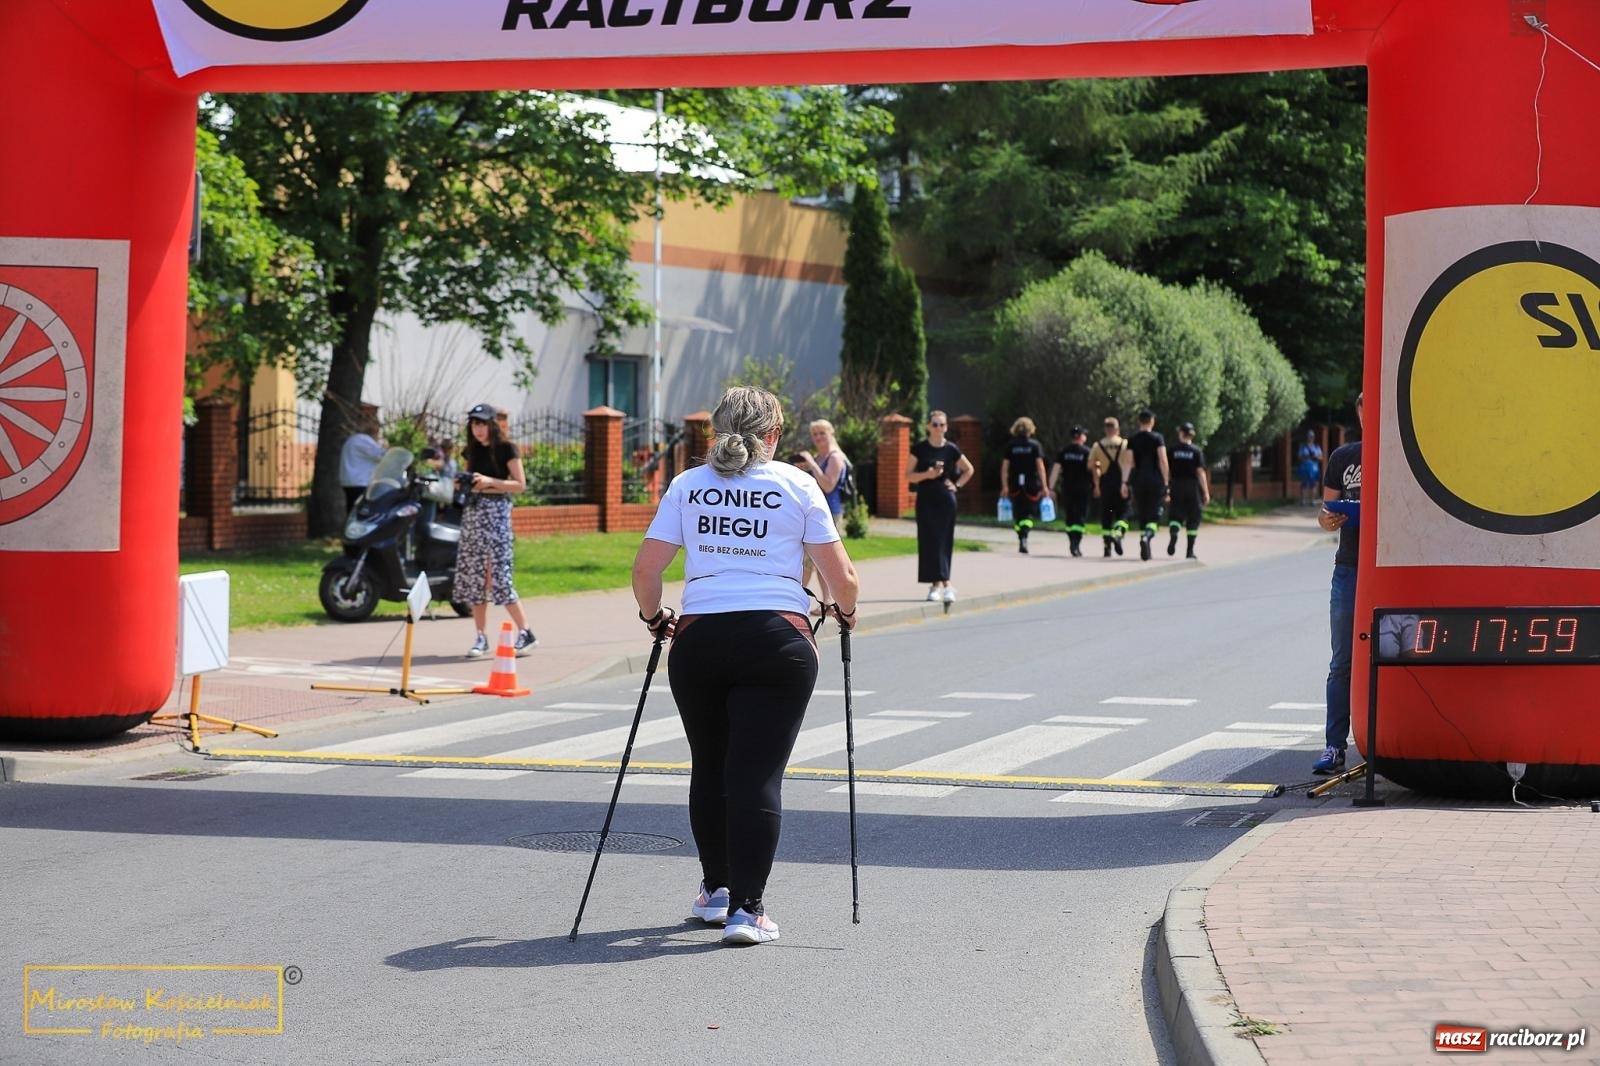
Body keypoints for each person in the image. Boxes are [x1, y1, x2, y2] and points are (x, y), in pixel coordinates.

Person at [632, 386, 860, 946]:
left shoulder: (688, 485)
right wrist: (844, 613)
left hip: (700, 639)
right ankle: (747, 910)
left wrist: (655, 618)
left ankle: (714, 891)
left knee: (709, 766)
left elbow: (645, 570)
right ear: (775, 435)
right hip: (775, 639)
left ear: (715, 432)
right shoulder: (797, 484)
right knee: (755, 774)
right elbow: (844, 580)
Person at [452, 402, 537, 659]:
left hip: (497, 514)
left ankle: (526, 632)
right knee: (475, 576)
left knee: (498, 575)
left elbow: (520, 485)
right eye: (474, 424)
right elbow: (469, 483)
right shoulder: (472, 451)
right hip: (474, 514)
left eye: (482, 424)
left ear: (492, 424)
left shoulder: (506, 449)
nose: (478, 429)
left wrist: (490, 482)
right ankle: (480, 637)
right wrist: (463, 483)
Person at [1314, 393, 1362, 775]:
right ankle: (1334, 746)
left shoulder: (1399, 455)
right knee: (1341, 660)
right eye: (1363, 409)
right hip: (1348, 567)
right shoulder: (1343, 457)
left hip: (1391, 568)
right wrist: (1326, 520)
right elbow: (1326, 510)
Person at [910, 410, 974, 602]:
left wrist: (957, 485)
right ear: (928, 426)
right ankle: (935, 585)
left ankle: (946, 584)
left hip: (946, 500)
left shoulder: (951, 449)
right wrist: (926, 475)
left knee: (944, 540)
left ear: (946, 427)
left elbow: (969, 469)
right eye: (935, 424)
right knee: (928, 540)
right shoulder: (919, 449)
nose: (939, 428)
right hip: (926, 499)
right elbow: (908, 475)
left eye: (942, 425)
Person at [796, 418, 849, 609]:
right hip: (813, 512)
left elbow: (828, 485)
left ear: (831, 434)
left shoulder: (835, 457)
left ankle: (796, 598)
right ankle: (827, 601)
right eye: (815, 434)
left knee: (817, 558)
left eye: (822, 433)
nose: (818, 437)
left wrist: (811, 462)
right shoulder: (818, 458)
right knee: (815, 559)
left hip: (830, 513)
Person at [1120, 408, 1170, 562]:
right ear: (1152, 421)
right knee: (1154, 514)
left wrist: (1124, 482)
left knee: (1142, 512)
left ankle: (1144, 542)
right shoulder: (1157, 438)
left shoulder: (1132, 439)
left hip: (1139, 480)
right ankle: (1147, 537)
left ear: (1139, 422)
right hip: (1155, 480)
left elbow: (1128, 462)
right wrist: (1167, 481)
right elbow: (1162, 460)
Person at [999, 416, 1050, 554]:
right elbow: (1040, 467)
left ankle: (1020, 536)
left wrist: (1004, 486)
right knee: (1028, 513)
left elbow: (1005, 468)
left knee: (1018, 512)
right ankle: (1025, 536)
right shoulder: (1035, 445)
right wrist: (1045, 486)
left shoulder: (1010, 446)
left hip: (1015, 483)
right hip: (1031, 483)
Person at [1048, 425, 1094, 557]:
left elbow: (1056, 470)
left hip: (1067, 488)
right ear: (1080, 437)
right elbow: (1093, 469)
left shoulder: (1064, 451)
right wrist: (1097, 484)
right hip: (1083, 489)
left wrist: (1051, 487)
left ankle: (1071, 541)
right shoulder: (1087, 452)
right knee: (1080, 515)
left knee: (1070, 515)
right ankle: (1076, 544)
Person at [1166, 422, 1210, 559]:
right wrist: (1206, 492)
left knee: (1175, 515)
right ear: (1191, 435)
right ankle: (1189, 551)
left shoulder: (1172, 450)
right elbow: (1200, 472)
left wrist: (1167, 487)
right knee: (1193, 517)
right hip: (1192, 487)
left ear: (1181, 433)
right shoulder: (1196, 451)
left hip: (1176, 486)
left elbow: (1167, 470)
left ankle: (1174, 533)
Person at [1090, 416, 1129, 557]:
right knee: (1123, 513)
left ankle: (1107, 548)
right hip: (1120, 482)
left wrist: (1096, 484)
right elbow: (1130, 463)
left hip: (1105, 483)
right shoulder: (1124, 444)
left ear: (1105, 429)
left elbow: (1091, 465)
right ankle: (1118, 534)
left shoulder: (1098, 445)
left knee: (1106, 515)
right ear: (1117, 429)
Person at [338, 405, 386, 514]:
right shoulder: (362, 440)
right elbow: (381, 455)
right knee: (361, 514)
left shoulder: (355, 439)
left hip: (353, 482)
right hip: (359, 483)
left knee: (353, 512)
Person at [1296, 430, 1325, 506]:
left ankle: (1312, 501)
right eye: (1309, 436)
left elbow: (1321, 457)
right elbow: (1299, 456)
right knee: (1303, 484)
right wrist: (1306, 456)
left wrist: (1315, 456)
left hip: (1314, 467)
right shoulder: (1303, 446)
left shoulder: (1316, 447)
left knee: (1313, 484)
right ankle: (1303, 500)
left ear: (1314, 437)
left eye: (1312, 436)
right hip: (1305, 467)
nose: (1310, 438)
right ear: (1307, 437)